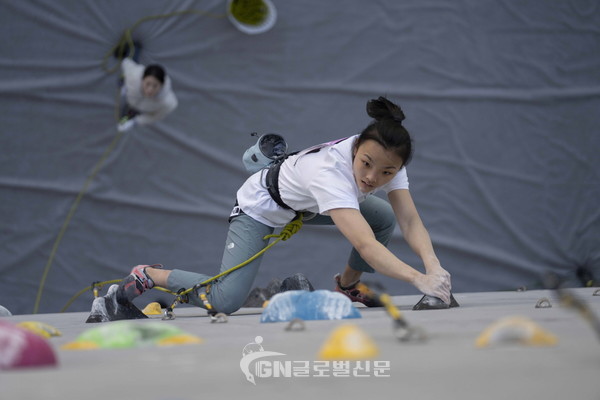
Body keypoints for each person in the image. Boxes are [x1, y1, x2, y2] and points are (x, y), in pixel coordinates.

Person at [107, 96, 451, 316]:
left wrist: (434, 268)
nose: (373, 178)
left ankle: (348, 288)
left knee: (385, 216)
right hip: (261, 208)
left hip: (306, 205)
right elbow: (364, 244)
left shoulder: (387, 160)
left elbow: (410, 219)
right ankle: (148, 275)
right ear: (356, 146)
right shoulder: (329, 173)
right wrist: (419, 280)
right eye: (365, 164)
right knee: (225, 301)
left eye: (387, 172)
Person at [117, 58, 178, 132]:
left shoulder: (167, 103)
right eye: (147, 84)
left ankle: (124, 120)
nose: (150, 90)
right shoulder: (133, 75)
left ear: (162, 86)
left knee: (126, 117)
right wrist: (124, 83)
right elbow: (125, 62)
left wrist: (136, 121)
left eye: (155, 86)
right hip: (130, 98)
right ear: (142, 80)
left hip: (137, 109)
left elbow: (155, 116)